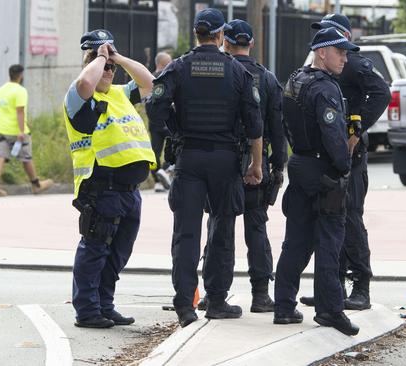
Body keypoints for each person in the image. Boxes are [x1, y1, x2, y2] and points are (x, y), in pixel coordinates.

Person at [147, 8, 263, 328]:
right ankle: (216, 300)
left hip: (189, 159)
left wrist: (176, 129)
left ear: (197, 34)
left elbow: (154, 105)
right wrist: (255, 162)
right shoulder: (238, 71)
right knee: (222, 229)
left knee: (186, 233)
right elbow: (254, 121)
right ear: (221, 36)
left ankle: (186, 304)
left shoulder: (178, 67)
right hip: (226, 161)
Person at [64, 29, 156, 328]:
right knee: (95, 249)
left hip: (129, 192)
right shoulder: (78, 96)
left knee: (116, 255)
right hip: (101, 188)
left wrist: (116, 57)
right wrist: (100, 57)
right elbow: (85, 82)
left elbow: (149, 82)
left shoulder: (119, 94)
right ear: (88, 62)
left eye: (110, 66)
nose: (107, 69)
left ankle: (105, 304)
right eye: (99, 62)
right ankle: (88, 311)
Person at [300, 14, 391, 311]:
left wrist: (357, 128)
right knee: (328, 218)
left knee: (350, 217)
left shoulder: (352, 62)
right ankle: (332, 286)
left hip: (351, 154)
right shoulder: (317, 64)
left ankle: (361, 284)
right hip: (327, 152)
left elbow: (381, 93)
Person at [274, 27, 359, 336]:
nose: (345, 59)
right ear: (322, 52)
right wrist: (344, 167)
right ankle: (330, 310)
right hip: (324, 172)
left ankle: (283, 306)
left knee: (295, 241)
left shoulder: (295, 80)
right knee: (329, 243)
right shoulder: (326, 88)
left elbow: (285, 124)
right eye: (341, 52)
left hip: (300, 166)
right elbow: (335, 137)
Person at [220, 19, 287, 313]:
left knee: (219, 228)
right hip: (256, 163)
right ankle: (260, 295)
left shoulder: (220, 73)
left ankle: (215, 295)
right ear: (252, 43)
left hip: (223, 162)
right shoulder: (268, 79)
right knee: (256, 230)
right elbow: (277, 127)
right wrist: (278, 165)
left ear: (225, 41)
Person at [0, 64, 53, 197]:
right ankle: (36, 185)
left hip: (0, 128)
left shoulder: (1, 89)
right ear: (21, 75)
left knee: (0, 156)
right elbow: (20, 111)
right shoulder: (20, 91)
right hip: (15, 130)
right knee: (26, 158)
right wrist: (21, 130)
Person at [149, 52, 174, 193]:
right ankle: (164, 171)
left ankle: (158, 180)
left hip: (155, 124)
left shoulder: (149, 78)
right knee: (174, 149)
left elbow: (147, 103)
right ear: (165, 63)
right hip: (168, 122)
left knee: (153, 154)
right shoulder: (169, 77)